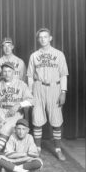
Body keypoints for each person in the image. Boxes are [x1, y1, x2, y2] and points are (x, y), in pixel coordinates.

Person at [0, 62, 33, 171]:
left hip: (15, 112)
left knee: (5, 130)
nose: (7, 73)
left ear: (14, 72)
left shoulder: (21, 84)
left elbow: (32, 100)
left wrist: (19, 105)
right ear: (1, 73)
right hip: (1, 110)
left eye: (9, 71)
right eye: (4, 71)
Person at [27, 28, 68, 161]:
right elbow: (30, 77)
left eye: (46, 37)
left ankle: (58, 149)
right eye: (41, 37)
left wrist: (63, 92)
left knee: (56, 121)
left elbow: (63, 75)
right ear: (38, 39)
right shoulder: (34, 55)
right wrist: (30, 93)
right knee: (37, 119)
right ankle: (37, 149)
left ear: (50, 38)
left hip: (54, 87)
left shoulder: (59, 54)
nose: (43, 39)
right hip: (38, 87)